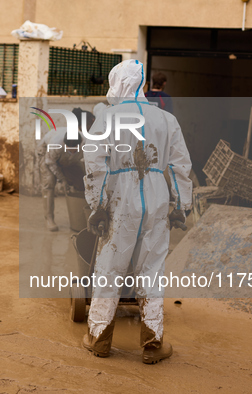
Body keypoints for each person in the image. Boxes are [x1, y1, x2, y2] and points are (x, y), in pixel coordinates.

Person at [82, 60, 192, 364]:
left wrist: (98, 206)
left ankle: (99, 340)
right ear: (142, 85)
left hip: (120, 199)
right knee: (152, 269)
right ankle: (152, 344)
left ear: (116, 85)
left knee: (109, 267)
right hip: (156, 198)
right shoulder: (167, 120)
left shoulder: (107, 117)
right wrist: (180, 207)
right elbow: (180, 166)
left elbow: (95, 165)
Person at [37, 109, 95, 231]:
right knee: (49, 184)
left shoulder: (86, 143)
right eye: (69, 149)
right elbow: (50, 163)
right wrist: (62, 179)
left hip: (68, 160)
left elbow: (89, 161)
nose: (72, 152)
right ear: (64, 144)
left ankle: (80, 214)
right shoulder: (55, 143)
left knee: (81, 179)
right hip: (47, 155)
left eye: (75, 150)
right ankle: (49, 218)